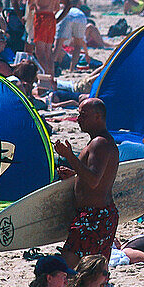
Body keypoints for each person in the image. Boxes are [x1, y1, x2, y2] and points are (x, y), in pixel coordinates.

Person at [54, 97, 119, 268]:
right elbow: (96, 176)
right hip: (99, 215)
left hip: (94, 216)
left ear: (98, 117)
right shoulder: (100, 142)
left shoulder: (100, 143)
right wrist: (75, 175)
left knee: (66, 270)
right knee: (93, 276)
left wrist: (69, 156)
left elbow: (93, 181)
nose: (78, 119)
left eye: (83, 115)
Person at [27, 0, 68, 75]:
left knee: (39, 51)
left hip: (41, 17)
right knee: (48, 51)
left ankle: (46, 76)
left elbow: (30, 1)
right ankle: (52, 76)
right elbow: (56, 7)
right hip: (51, 17)